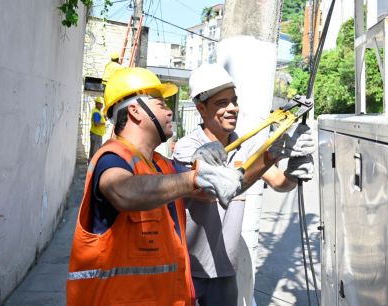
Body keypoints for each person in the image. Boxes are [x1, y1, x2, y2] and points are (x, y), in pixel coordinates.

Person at [67, 67, 245, 305]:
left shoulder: (161, 165)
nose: (170, 111)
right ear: (135, 111)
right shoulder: (112, 157)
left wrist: (271, 157)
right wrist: (193, 178)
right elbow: (122, 190)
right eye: (161, 104)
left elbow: (216, 186)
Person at [172, 63, 315, 306]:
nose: (232, 109)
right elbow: (211, 191)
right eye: (221, 103)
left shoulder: (246, 147)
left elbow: (279, 183)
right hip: (188, 268)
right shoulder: (187, 147)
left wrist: (294, 171)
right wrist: (271, 156)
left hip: (226, 269)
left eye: (234, 101)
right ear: (201, 108)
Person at [89, 96, 106, 160]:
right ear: (96, 104)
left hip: (97, 134)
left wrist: (104, 117)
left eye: (102, 104)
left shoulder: (98, 111)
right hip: (96, 134)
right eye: (99, 104)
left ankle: (91, 165)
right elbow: (96, 124)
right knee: (95, 152)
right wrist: (103, 123)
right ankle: (92, 167)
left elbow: (101, 119)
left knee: (94, 151)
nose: (101, 105)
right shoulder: (96, 112)